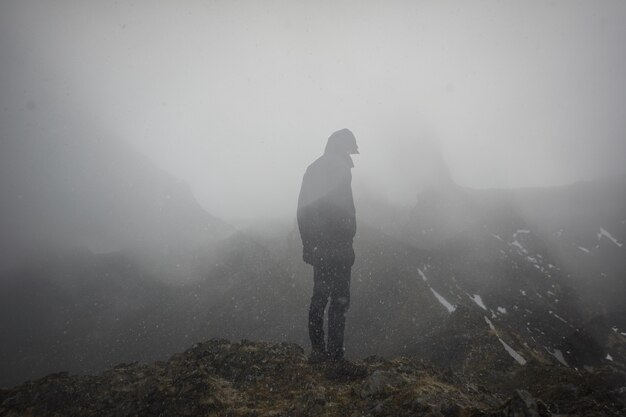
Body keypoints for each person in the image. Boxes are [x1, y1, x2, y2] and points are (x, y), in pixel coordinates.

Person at [297, 128, 359, 364]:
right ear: (344, 147)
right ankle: (335, 358)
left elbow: (302, 209)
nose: (351, 155)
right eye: (350, 149)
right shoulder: (341, 169)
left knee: (319, 297)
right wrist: (347, 237)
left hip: (320, 246)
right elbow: (344, 210)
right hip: (339, 246)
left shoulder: (313, 169)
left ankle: (318, 351)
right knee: (340, 300)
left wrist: (308, 244)